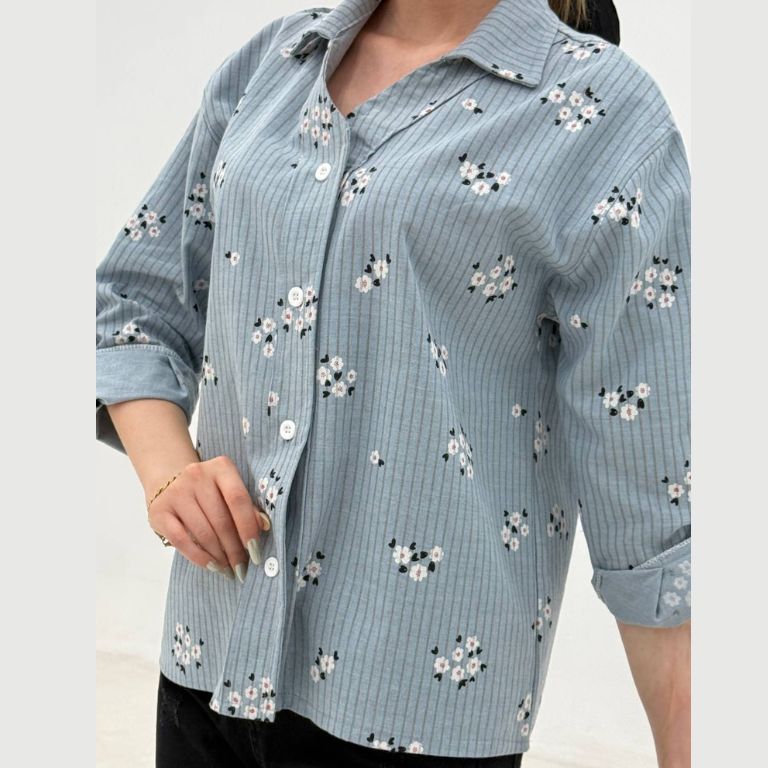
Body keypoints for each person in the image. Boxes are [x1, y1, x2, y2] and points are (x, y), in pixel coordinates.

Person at [95, 1, 691, 766]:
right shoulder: (278, 62)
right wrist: (168, 471)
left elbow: (655, 509)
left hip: (420, 709)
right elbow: (132, 304)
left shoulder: (604, 114)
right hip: (208, 668)